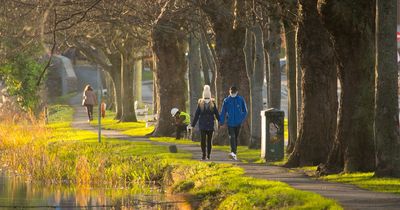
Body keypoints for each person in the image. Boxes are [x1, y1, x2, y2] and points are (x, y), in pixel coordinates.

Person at [188, 85, 219, 160]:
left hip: (210, 125)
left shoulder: (213, 103)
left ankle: (208, 154)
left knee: (209, 141)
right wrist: (193, 125)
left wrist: (220, 121)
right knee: (203, 140)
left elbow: (216, 114)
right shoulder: (200, 103)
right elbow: (196, 115)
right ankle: (204, 154)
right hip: (202, 125)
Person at [219, 86, 247, 160]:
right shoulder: (226, 100)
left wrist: (241, 118)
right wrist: (221, 122)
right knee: (232, 137)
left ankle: (234, 153)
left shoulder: (241, 99)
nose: (232, 94)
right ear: (229, 92)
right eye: (231, 92)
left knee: (236, 138)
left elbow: (245, 111)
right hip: (230, 122)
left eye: (234, 93)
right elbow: (223, 112)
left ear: (237, 92)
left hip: (238, 123)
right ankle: (233, 153)